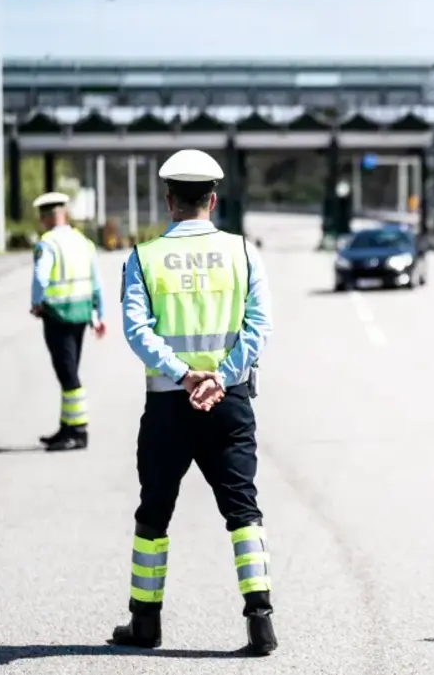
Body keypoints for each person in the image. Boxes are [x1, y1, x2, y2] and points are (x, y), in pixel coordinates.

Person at [112, 149, 277, 655]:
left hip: (167, 403)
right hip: (229, 404)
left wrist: (184, 375)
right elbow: (259, 327)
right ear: (213, 198)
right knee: (242, 510)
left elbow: (136, 331)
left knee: (154, 512)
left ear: (169, 200)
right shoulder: (244, 252)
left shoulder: (143, 257)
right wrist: (221, 378)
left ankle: (145, 623)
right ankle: (260, 621)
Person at [30, 192, 107, 452]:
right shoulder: (82, 241)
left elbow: (41, 279)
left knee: (68, 375)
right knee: (69, 371)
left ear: (45, 217)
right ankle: (66, 427)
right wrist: (99, 315)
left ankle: (78, 432)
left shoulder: (48, 243)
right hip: (82, 314)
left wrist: (37, 303)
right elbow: (97, 282)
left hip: (58, 316)